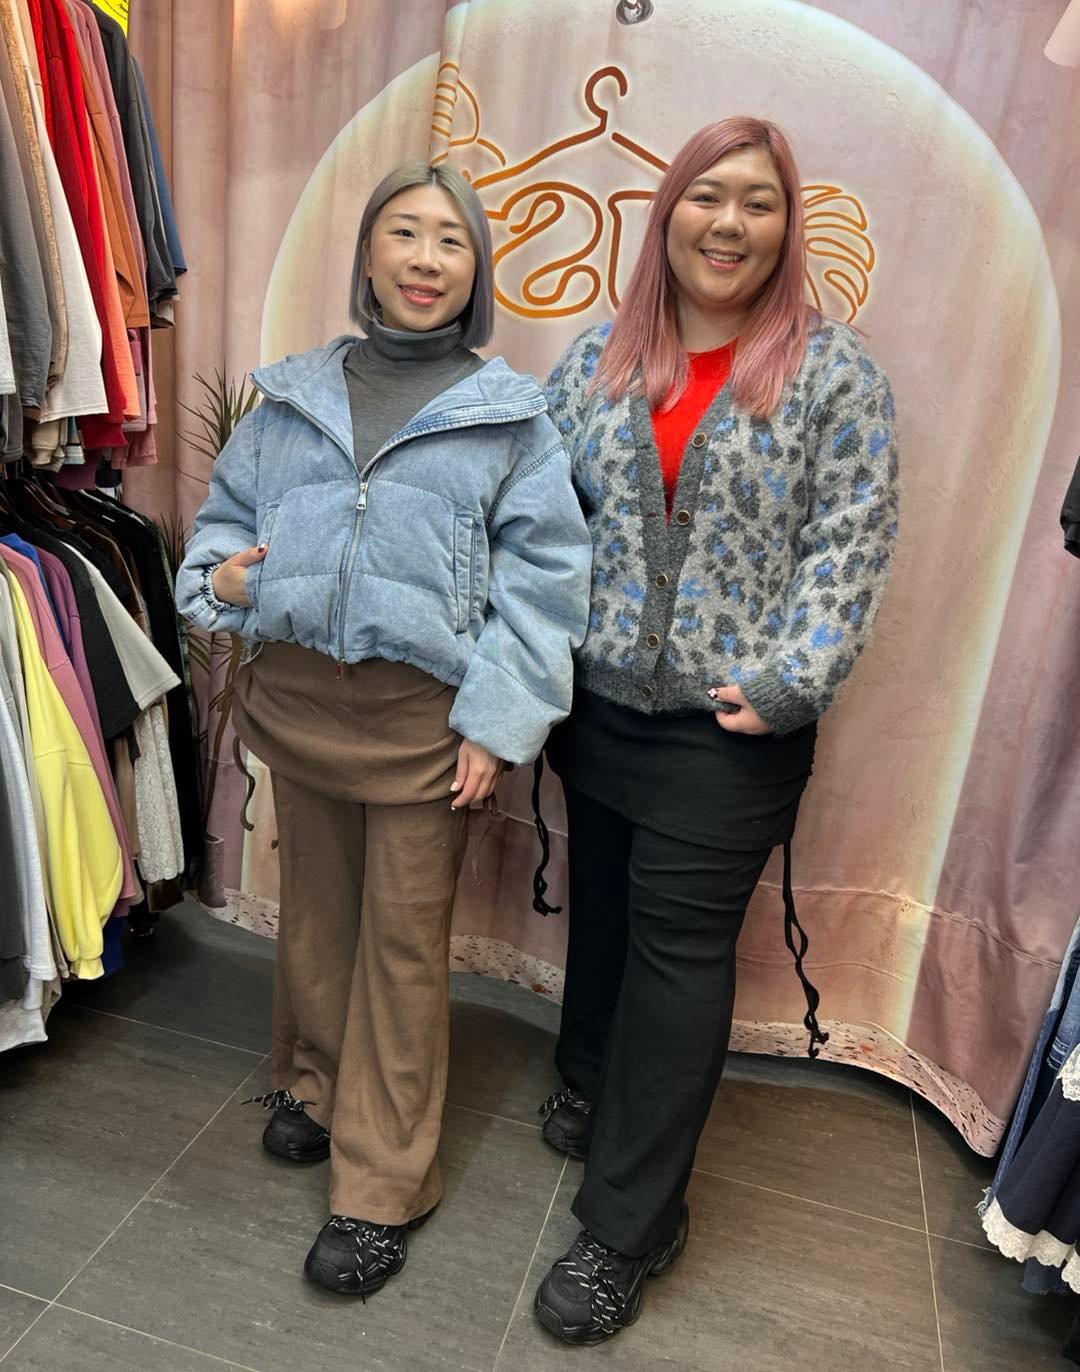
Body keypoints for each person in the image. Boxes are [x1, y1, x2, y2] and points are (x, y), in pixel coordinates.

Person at [175, 161, 592, 1297]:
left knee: (402, 953)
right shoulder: (292, 396)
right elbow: (222, 528)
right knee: (315, 924)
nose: (424, 259)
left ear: (475, 271)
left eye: (450, 241)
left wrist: (495, 724)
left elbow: (545, 588)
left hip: (426, 726)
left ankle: (382, 1184)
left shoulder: (511, 417)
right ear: (367, 252)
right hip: (301, 705)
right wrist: (229, 577)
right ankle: (314, 1088)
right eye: (403, 232)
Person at [531, 117, 901, 1345]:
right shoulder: (594, 359)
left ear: (788, 226)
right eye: (707, 196)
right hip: (595, 705)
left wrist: (791, 680)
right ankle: (592, 1077)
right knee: (606, 904)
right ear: (669, 213)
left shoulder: (833, 375)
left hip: (730, 729)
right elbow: (537, 518)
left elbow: (850, 542)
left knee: (680, 951)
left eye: (758, 201)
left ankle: (630, 1223)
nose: (729, 223)